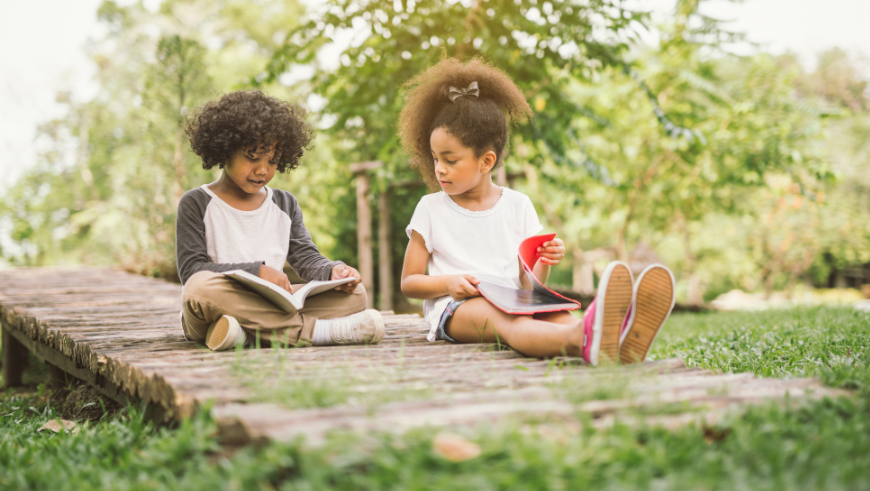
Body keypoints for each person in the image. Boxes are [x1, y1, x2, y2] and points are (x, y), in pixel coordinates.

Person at [399, 58, 675, 364]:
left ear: (486, 162)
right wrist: (447, 283)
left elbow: (529, 285)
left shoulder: (518, 205)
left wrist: (543, 260)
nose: (439, 169)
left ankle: (618, 343)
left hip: (514, 299)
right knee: (510, 324)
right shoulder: (431, 208)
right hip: (456, 307)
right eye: (436, 158)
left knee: (558, 316)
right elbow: (410, 282)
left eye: (450, 160)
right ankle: (584, 339)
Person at [176, 90, 384, 351]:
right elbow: (191, 270)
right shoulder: (195, 202)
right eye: (252, 157)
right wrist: (257, 271)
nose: (262, 170)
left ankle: (247, 335)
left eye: (272, 161)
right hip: (215, 307)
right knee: (198, 287)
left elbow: (306, 258)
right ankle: (317, 332)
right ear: (225, 150)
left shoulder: (285, 204)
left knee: (355, 294)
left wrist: (334, 271)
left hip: (270, 307)